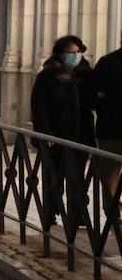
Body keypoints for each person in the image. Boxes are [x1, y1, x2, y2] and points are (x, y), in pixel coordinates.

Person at [32, 35, 96, 225]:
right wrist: (44, 131)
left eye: (78, 52)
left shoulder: (86, 76)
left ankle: (78, 214)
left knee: (77, 175)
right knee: (53, 175)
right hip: (56, 134)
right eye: (71, 52)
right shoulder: (47, 76)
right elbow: (39, 105)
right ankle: (50, 211)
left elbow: (93, 101)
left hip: (81, 134)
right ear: (61, 54)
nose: (75, 56)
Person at [86, 32, 122, 209]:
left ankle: (112, 206)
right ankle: (111, 208)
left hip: (109, 126)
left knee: (112, 169)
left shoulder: (107, 61)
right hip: (111, 129)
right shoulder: (108, 62)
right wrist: (109, 113)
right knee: (111, 169)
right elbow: (95, 95)